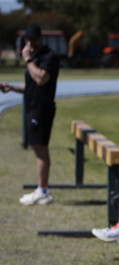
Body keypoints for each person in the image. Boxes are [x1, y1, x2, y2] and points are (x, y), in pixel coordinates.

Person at [1, 24, 60, 205]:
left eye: (33, 40)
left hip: (42, 109)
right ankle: (42, 189)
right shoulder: (35, 58)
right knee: (37, 147)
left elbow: (41, 78)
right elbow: (31, 86)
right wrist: (12, 88)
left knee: (40, 148)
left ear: (41, 39)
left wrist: (28, 60)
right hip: (32, 107)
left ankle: (43, 190)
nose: (30, 44)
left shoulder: (49, 57)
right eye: (28, 40)